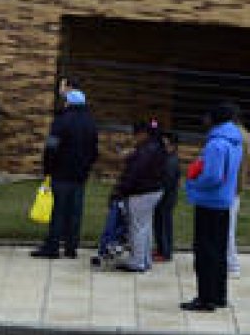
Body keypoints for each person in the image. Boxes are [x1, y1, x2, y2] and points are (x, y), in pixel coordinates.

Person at [182, 103, 243, 312]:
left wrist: (192, 183)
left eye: (207, 115)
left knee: (205, 252)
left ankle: (205, 298)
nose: (204, 120)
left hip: (209, 202)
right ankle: (218, 295)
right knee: (218, 252)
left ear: (215, 118)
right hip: (224, 201)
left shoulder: (216, 144)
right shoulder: (235, 141)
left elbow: (213, 176)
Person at [32, 89, 99, 260]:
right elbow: (94, 151)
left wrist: (47, 168)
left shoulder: (61, 121)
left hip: (61, 173)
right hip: (80, 175)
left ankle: (53, 246)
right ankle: (71, 247)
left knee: (58, 211)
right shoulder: (91, 123)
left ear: (68, 103)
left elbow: (51, 147)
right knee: (75, 212)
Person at [111, 120, 167, 273]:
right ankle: (144, 259)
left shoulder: (146, 150)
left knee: (137, 227)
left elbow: (134, 173)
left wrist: (120, 190)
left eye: (136, 134)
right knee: (145, 226)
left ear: (144, 134)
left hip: (142, 193)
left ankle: (137, 262)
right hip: (154, 191)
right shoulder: (156, 146)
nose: (134, 137)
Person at [153, 131, 181, 262]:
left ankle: (165, 252)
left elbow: (168, 181)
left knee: (164, 224)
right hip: (162, 196)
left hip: (166, 198)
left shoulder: (171, 161)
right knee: (159, 222)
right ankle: (160, 248)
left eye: (165, 144)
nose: (163, 147)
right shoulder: (167, 158)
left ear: (173, 145)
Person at [229, 116, 250, 278]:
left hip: (231, 187)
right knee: (229, 227)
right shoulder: (245, 134)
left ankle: (232, 264)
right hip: (236, 186)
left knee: (227, 228)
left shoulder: (237, 136)